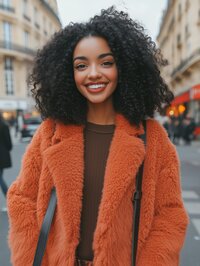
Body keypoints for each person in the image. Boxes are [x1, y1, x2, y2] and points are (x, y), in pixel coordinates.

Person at [7, 6, 189, 266]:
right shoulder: (50, 132)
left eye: (106, 63)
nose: (93, 73)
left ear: (124, 68)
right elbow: (22, 199)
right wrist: (29, 257)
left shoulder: (153, 138)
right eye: (81, 65)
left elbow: (169, 215)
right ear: (68, 73)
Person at [0, 112, 12, 197]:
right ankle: (8, 196)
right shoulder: (4, 125)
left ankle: (8, 196)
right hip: (2, 155)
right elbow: (9, 144)